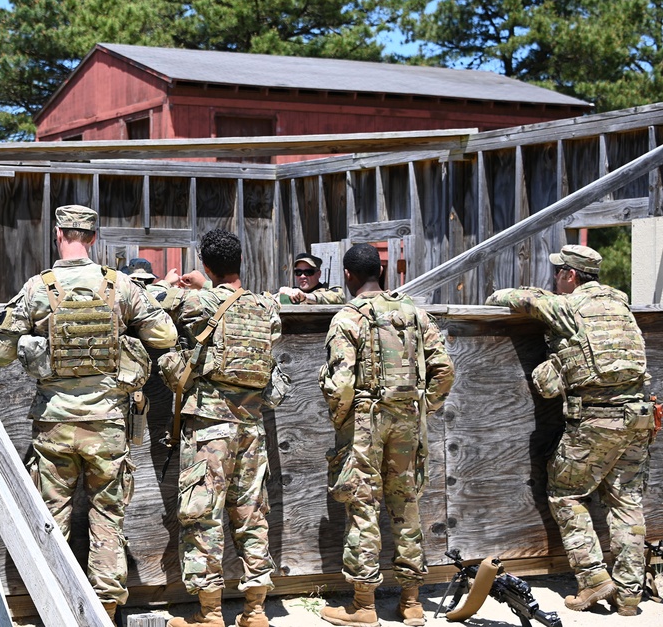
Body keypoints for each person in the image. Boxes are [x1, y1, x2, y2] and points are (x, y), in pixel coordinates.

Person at [0, 205, 177, 622]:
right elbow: (165, 334)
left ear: (59, 234)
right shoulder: (121, 286)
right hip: (108, 423)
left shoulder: (38, 288)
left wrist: (35, 340)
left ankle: (50, 607)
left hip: (54, 423)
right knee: (108, 516)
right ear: (93, 238)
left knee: (49, 518)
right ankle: (105, 611)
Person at [486, 244, 651, 617]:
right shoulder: (620, 305)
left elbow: (510, 297)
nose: (556, 276)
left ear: (570, 276)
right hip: (639, 417)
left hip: (596, 418)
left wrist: (511, 294)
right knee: (626, 503)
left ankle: (593, 580)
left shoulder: (565, 306)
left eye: (559, 271)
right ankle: (628, 596)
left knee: (564, 493)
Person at [319, 242, 454, 627]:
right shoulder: (415, 313)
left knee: (363, 506)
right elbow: (445, 370)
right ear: (381, 271)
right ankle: (412, 603)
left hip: (365, 420)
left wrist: (343, 419)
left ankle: (363, 606)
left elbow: (341, 382)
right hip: (408, 418)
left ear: (348, 275)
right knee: (406, 503)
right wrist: (423, 407)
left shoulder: (348, 317)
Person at [154, 228, 281, 627]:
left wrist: (173, 283)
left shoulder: (197, 301)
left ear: (206, 265)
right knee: (251, 515)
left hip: (210, 427)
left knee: (201, 514)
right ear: (240, 262)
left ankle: (210, 614)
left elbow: (152, 303)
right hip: (252, 428)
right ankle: (256, 610)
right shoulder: (266, 308)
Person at [278, 252, 345, 305]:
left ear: (318, 274)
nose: (302, 276)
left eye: (308, 272)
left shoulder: (331, 292)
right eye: (298, 272)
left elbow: (338, 297)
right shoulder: (292, 292)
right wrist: (280, 295)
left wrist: (305, 297)